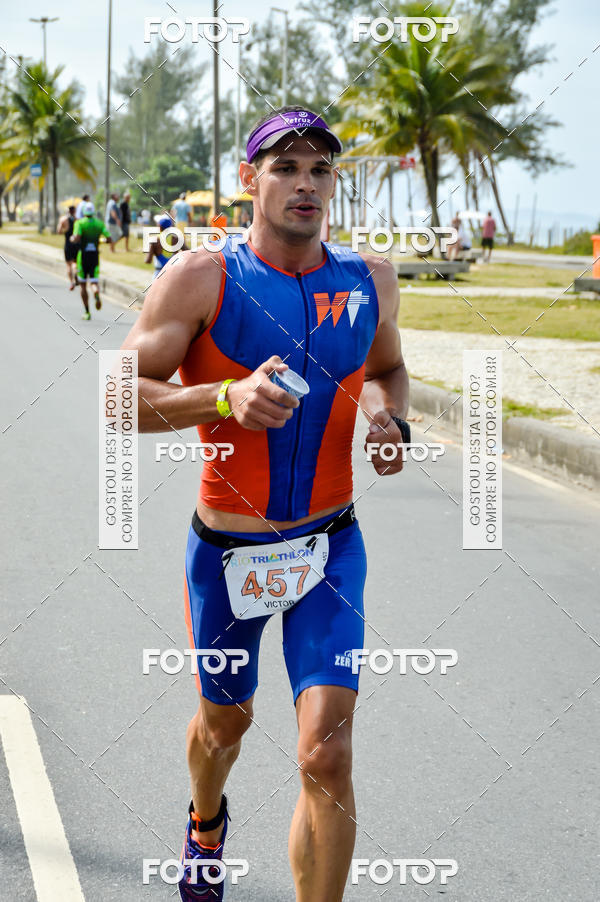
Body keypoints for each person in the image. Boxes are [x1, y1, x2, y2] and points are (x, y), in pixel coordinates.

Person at [121, 106, 410, 902]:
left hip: (329, 551)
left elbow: (390, 367)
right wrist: (222, 396)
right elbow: (119, 400)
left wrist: (393, 419)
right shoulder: (200, 278)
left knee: (327, 753)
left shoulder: (369, 278)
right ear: (250, 180)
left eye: (321, 169)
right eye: (285, 168)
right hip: (228, 557)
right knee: (227, 727)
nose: (305, 184)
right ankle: (205, 821)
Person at [71, 201, 112, 319]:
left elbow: (77, 237)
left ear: (84, 212)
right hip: (94, 256)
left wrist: (72, 239)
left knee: (83, 285)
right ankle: (96, 292)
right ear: (93, 211)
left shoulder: (79, 223)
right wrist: (100, 241)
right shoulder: (99, 224)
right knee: (93, 282)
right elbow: (109, 239)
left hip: (82, 256)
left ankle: (87, 312)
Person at [57, 205, 78, 289]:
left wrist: (65, 231)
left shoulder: (63, 220)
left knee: (68, 264)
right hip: (76, 243)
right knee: (75, 263)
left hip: (68, 243)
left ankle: (71, 282)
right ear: (74, 211)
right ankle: (76, 274)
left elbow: (59, 231)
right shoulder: (78, 220)